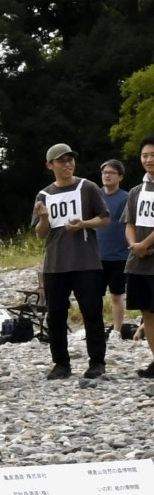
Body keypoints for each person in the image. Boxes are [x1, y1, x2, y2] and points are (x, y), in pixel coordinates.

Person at [35, 142, 110, 379]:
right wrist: (44, 218)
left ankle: (97, 361)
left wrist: (84, 224)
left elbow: (105, 219)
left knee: (92, 313)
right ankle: (61, 363)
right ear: (50, 165)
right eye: (61, 161)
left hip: (86, 262)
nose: (67, 164)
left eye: (70, 160)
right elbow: (40, 232)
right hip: (55, 264)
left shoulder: (87, 187)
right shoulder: (44, 195)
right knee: (55, 316)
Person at [126, 135, 154, 377]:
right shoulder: (137, 190)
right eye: (145, 155)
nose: (149, 160)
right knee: (146, 311)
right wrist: (135, 245)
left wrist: (145, 244)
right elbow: (129, 223)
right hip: (139, 261)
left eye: (153, 155)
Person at [99, 158, 131, 339]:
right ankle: (95, 328)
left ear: (120, 177)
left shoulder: (127, 197)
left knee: (116, 295)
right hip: (95, 255)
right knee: (93, 296)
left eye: (111, 173)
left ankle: (117, 331)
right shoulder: (95, 196)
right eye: (104, 173)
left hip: (119, 255)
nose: (107, 176)